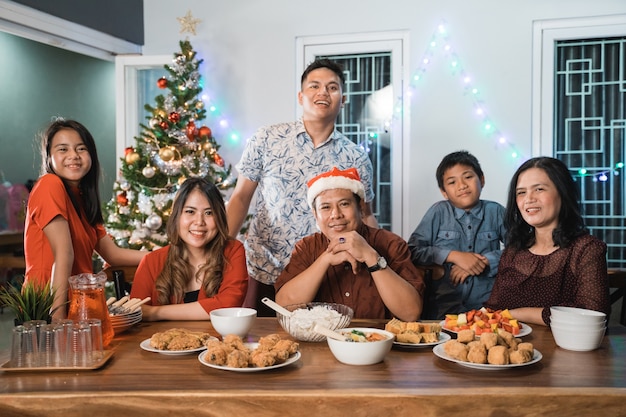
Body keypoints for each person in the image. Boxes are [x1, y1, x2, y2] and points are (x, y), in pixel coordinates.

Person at [227, 58, 378, 316]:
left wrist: (376, 259)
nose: (323, 93)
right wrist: (221, 250)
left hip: (325, 273)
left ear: (343, 99)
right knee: (258, 345)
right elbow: (240, 198)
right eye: (314, 86)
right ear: (300, 96)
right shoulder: (267, 138)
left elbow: (365, 215)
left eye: (332, 87)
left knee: (319, 349)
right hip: (263, 267)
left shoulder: (355, 156)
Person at [24, 118, 146, 319]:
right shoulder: (49, 184)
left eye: (81, 149)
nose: (74, 156)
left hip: (79, 309)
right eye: (63, 149)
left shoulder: (82, 198)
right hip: (47, 309)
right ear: (49, 156)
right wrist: (57, 321)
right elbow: (64, 254)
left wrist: (164, 255)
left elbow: (112, 254)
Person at [274, 167, 424, 321]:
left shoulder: (391, 244)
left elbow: (411, 313)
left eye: (344, 204)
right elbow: (283, 307)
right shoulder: (306, 247)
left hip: (377, 341)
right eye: (325, 207)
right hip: (321, 341)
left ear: (361, 207)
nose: (336, 215)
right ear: (315, 214)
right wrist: (325, 260)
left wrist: (371, 256)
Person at [483, 157, 610, 326]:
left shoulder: (586, 249)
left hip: (563, 350)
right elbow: (493, 309)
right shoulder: (513, 251)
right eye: (521, 192)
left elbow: (593, 313)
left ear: (562, 193)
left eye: (539, 189)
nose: (529, 199)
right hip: (510, 348)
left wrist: (516, 314)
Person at [130, 177, 248, 321]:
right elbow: (136, 312)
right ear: (177, 216)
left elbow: (228, 307)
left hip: (218, 342)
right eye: (190, 211)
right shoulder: (151, 261)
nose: (199, 222)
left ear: (220, 217)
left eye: (209, 213)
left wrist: (154, 312)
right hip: (160, 342)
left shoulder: (233, 251)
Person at [408, 150, 506, 319]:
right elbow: (413, 250)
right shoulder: (438, 212)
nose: (462, 185)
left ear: (481, 180)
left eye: (468, 177)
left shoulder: (495, 211)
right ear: (444, 191)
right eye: (452, 182)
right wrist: (453, 256)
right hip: (442, 310)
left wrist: (484, 262)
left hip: (487, 309)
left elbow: (521, 250)